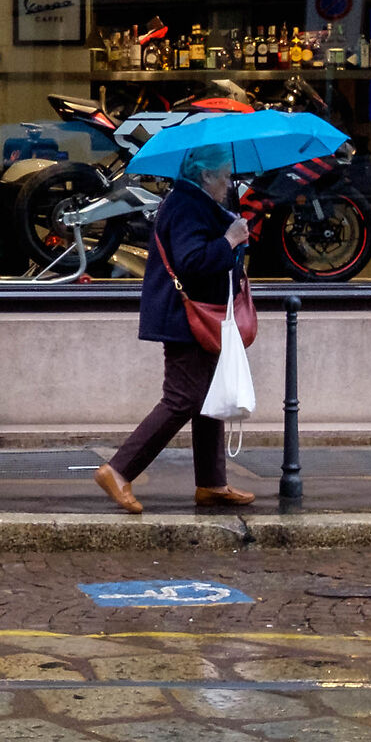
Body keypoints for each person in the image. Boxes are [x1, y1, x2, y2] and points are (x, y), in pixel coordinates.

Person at [94, 142, 258, 513]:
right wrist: (229, 239)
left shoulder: (198, 202)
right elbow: (192, 262)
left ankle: (212, 483)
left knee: (205, 399)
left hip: (199, 315)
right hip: (185, 318)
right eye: (225, 176)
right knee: (182, 399)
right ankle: (118, 471)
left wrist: (233, 237)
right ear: (206, 175)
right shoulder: (186, 205)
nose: (229, 182)